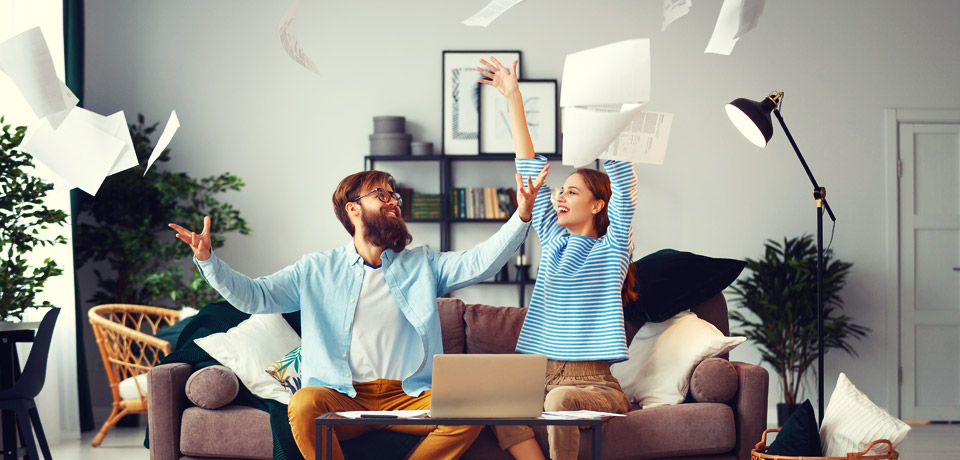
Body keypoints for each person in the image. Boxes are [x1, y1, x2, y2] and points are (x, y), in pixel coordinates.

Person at [168, 166, 548, 460]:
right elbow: (255, 297)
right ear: (353, 209)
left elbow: (481, 261)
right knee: (302, 403)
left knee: (471, 410)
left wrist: (523, 214)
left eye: (394, 194)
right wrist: (209, 262)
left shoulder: (423, 264)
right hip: (342, 395)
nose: (393, 200)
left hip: (409, 395)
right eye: (381, 193)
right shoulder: (315, 269)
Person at [477, 57, 639, 460]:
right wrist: (513, 95)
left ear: (599, 204)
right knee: (490, 398)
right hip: (540, 373)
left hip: (594, 383)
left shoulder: (613, 246)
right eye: (560, 190)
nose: (559, 196)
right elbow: (529, 169)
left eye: (572, 191)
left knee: (561, 400)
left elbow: (625, 184)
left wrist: (610, 114)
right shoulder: (553, 239)